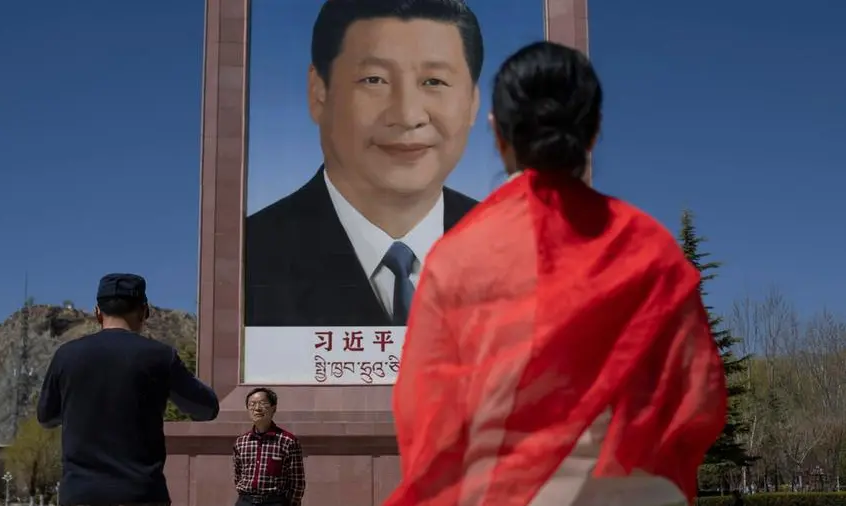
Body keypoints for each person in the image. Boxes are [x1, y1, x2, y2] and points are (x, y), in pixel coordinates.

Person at [384, 42, 728, 506]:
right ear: (594, 130)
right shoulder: (650, 248)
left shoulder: (457, 256)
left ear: (498, 133)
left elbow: (427, 412)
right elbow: (696, 395)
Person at [245, 0, 483, 327]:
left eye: (434, 82)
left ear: (472, 102)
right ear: (318, 92)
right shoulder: (246, 259)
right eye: (374, 80)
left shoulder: (522, 254)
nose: (407, 115)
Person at [37, 273, 220, 506]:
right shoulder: (160, 356)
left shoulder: (66, 356)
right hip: (141, 495)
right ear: (144, 311)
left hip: (80, 495)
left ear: (97, 312)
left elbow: (46, 417)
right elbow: (207, 409)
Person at [232, 388, 306, 506]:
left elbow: (297, 482)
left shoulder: (288, 441)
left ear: (273, 408)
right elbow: (238, 476)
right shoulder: (241, 442)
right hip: (246, 501)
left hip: (274, 501)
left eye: (263, 403)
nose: (257, 408)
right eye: (252, 404)